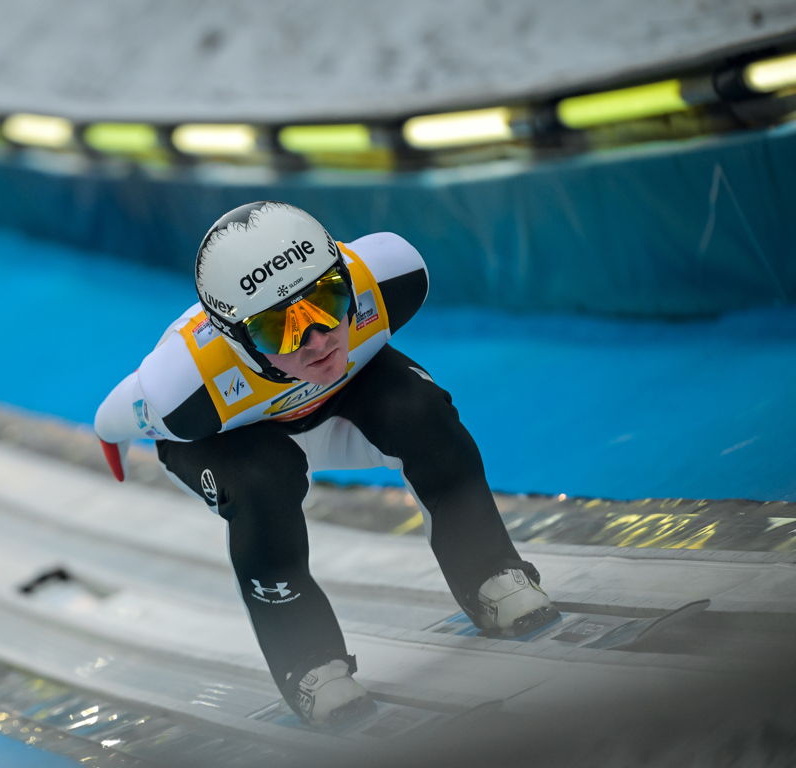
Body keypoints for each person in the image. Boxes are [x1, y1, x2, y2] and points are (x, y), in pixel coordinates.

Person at [93, 201, 558, 726]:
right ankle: (307, 666)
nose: (317, 339)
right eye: (278, 330)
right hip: (233, 438)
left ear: (346, 279)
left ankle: (490, 574)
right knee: (259, 483)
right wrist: (112, 444)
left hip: (343, 404)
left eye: (328, 301)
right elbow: (113, 418)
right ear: (234, 339)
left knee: (421, 412)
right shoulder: (185, 391)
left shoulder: (390, 279)